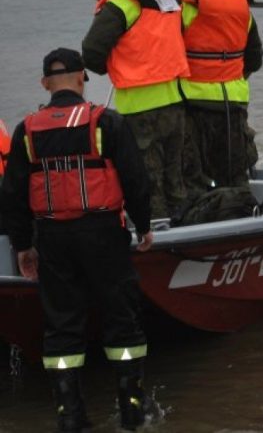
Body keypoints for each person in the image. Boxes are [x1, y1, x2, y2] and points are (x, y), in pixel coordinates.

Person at [0, 48, 153, 432]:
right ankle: (133, 412)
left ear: (44, 84)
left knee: (62, 326)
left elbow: (13, 195)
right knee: (123, 321)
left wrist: (23, 246)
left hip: (52, 238)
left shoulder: (27, 130)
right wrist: (145, 224)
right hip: (103, 234)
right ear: (83, 78)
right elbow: (136, 179)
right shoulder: (107, 123)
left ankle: (71, 416)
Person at [82, 0, 190, 221]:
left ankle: (159, 234)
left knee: (147, 177)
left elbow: (92, 52)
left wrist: (114, 65)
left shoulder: (119, 5)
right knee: (175, 174)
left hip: (140, 108)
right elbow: (179, 36)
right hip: (175, 101)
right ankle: (187, 223)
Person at [175, 0, 263, 194]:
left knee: (193, 176)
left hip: (192, 102)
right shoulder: (240, 5)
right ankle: (243, 219)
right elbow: (255, 57)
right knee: (234, 173)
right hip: (233, 103)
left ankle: (199, 226)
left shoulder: (183, 6)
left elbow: (164, 53)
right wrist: (232, 75)